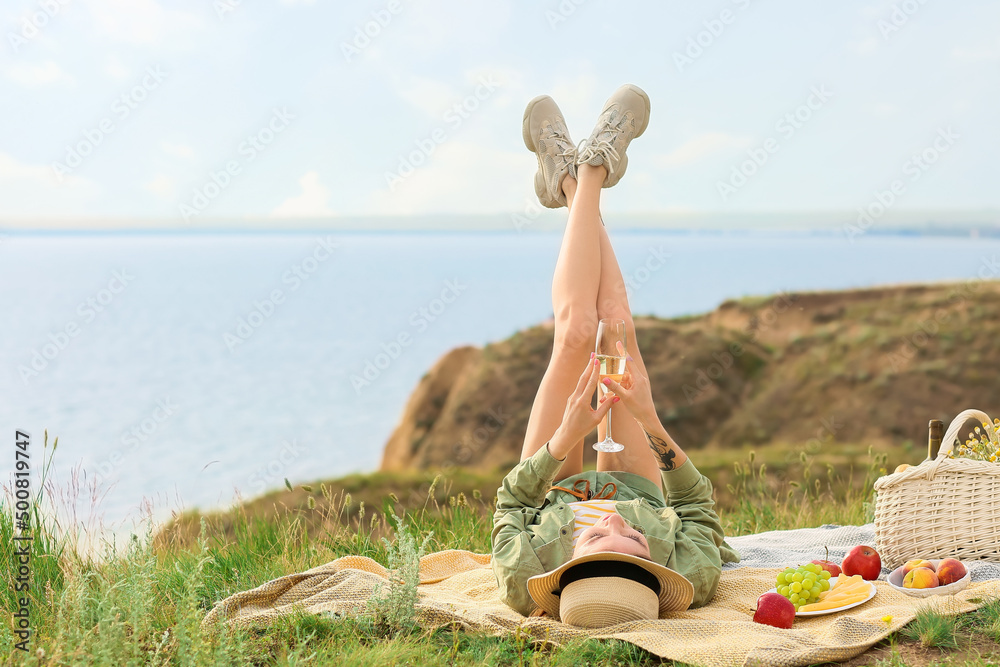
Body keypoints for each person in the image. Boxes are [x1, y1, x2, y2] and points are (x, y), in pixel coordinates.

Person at [491, 84, 740, 627]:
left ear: (567, 567)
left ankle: (576, 175)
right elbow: (697, 507)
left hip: (549, 494)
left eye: (602, 536)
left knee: (579, 331)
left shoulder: (523, 572)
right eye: (639, 545)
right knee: (616, 327)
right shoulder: (691, 574)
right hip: (640, 483)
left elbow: (510, 506)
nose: (619, 525)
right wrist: (649, 418)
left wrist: (565, 437)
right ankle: (587, 172)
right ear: (657, 573)